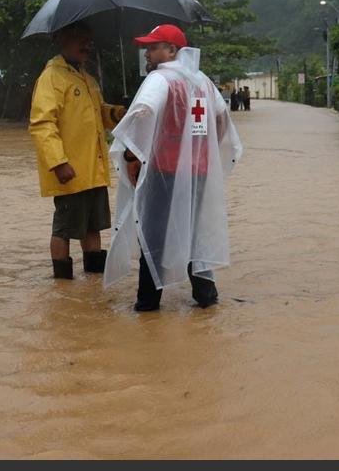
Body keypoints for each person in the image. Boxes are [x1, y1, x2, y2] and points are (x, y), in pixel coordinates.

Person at [103, 24, 243, 311]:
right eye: (148, 47)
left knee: (152, 234)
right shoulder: (202, 81)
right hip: (199, 171)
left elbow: (144, 112)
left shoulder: (160, 79)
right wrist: (203, 150)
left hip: (164, 171)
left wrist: (132, 156)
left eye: (154, 47)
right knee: (192, 231)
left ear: (172, 50)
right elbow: (220, 118)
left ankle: (148, 303)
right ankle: (206, 296)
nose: (148, 52)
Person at [29, 22, 126, 279]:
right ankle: (62, 283)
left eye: (87, 39)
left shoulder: (87, 78)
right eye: (78, 39)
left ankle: (94, 283)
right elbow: (41, 124)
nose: (86, 44)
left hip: (94, 169)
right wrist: (58, 162)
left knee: (93, 226)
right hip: (70, 170)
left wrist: (118, 114)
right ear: (61, 40)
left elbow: (99, 113)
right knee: (64, 229)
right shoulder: (51, 78)